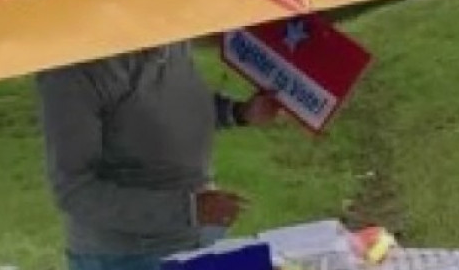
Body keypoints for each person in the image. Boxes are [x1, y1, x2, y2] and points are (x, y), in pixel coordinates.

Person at [36, 40, 281, 270]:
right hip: (124, 256)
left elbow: (173, 109)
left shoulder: (170, 41)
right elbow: (75, 191)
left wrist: (239, 113)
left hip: (197, 236)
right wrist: (187, 210)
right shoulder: (72, 75)